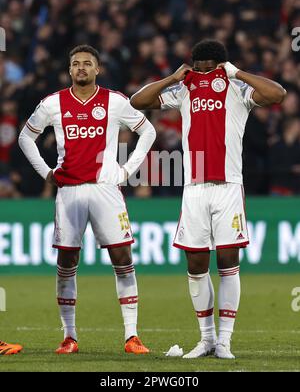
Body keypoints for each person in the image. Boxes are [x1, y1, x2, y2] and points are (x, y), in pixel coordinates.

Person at [130, 39, 286, 359]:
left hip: (228, 185)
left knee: (229, 262)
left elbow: (277, 94)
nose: (201, 70)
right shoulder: (185, 89)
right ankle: (207, 339)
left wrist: (238, 72)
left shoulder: (236, 87)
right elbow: (137, 101)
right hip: (195, 187)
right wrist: (173, 78)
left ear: (219, 63)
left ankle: (225, 341)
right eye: (197, 65)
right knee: (196, 263)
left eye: (207, 65)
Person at [19, 44, 156, 355]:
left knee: (122, 259)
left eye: (87, 64)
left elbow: (147, 131)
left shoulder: (115, 101)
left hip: (106, 190)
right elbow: (25, 137)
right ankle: (70, 336)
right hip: (69, 191)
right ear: (69, 70)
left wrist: (126, 171)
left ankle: (132, 336)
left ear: (98, 69)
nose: (81, 68)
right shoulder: (52, 104)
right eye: (76, 64)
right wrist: (46, 172)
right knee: (67, 262)